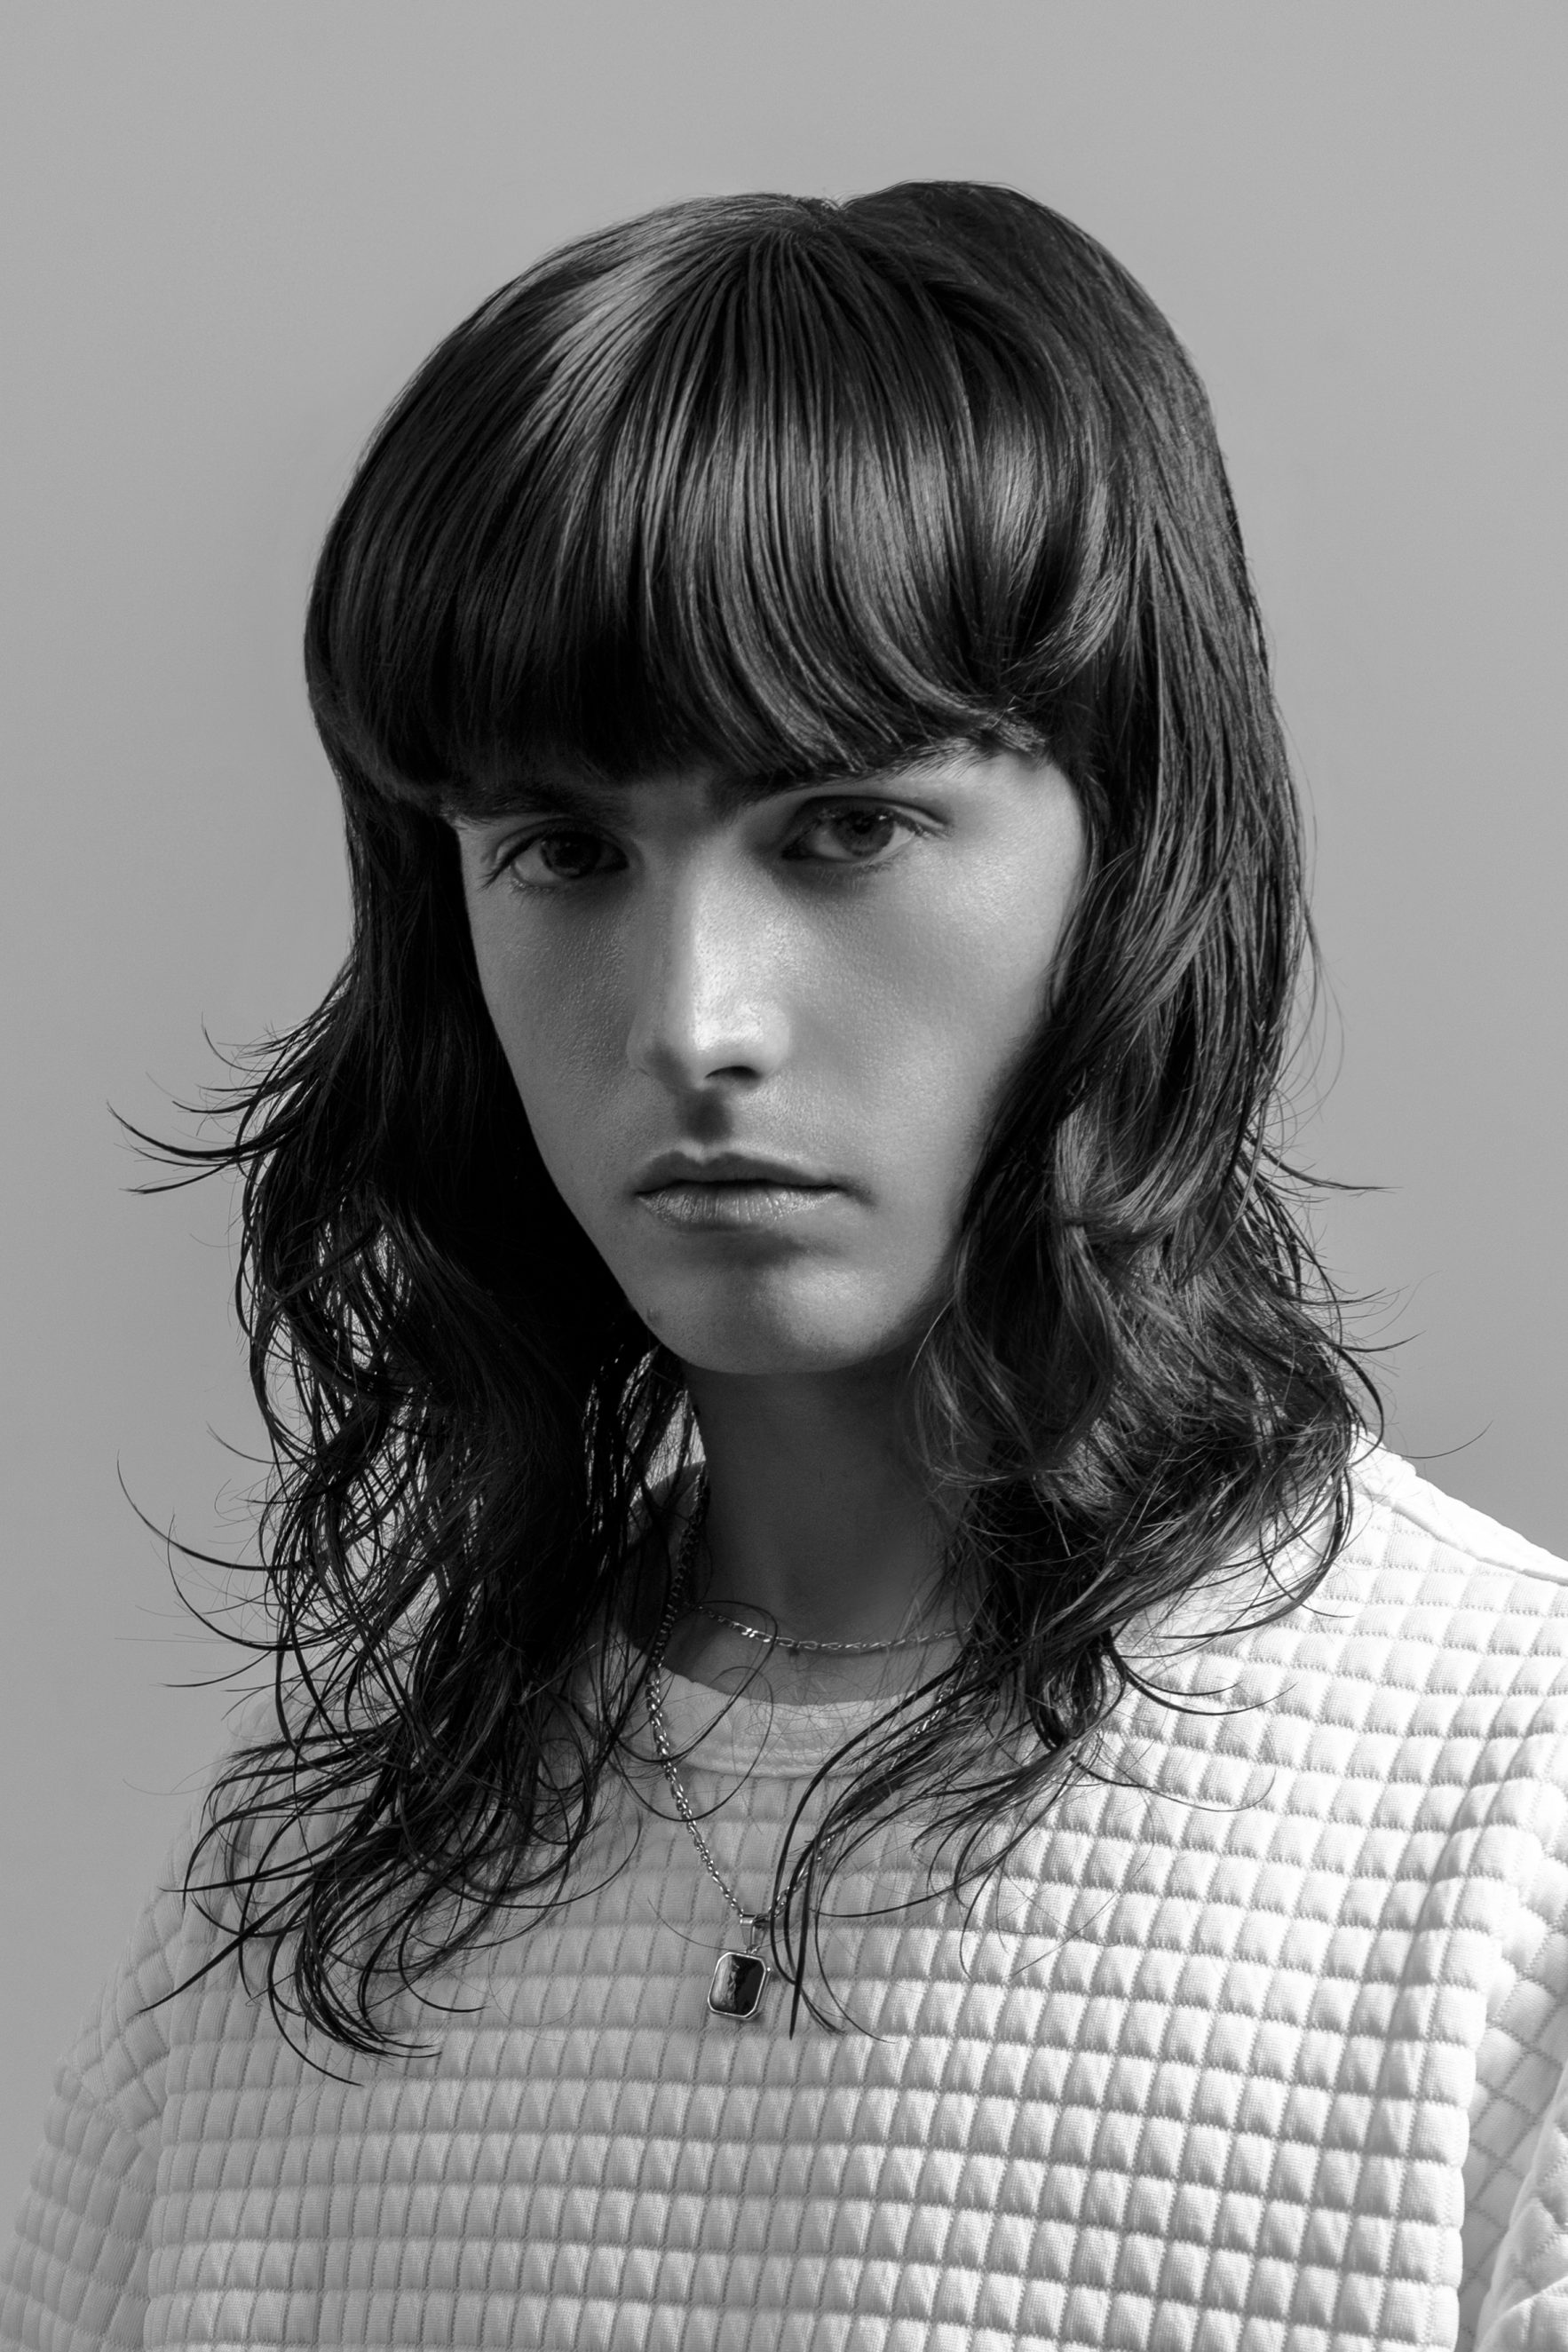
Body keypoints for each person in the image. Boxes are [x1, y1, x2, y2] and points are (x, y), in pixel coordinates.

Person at [2, 181, 1564, 2352]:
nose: (696, 1017)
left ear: (1131, 851)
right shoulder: (299, 1891)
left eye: (842, 826)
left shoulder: (1512, 1828)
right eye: (564, 849)